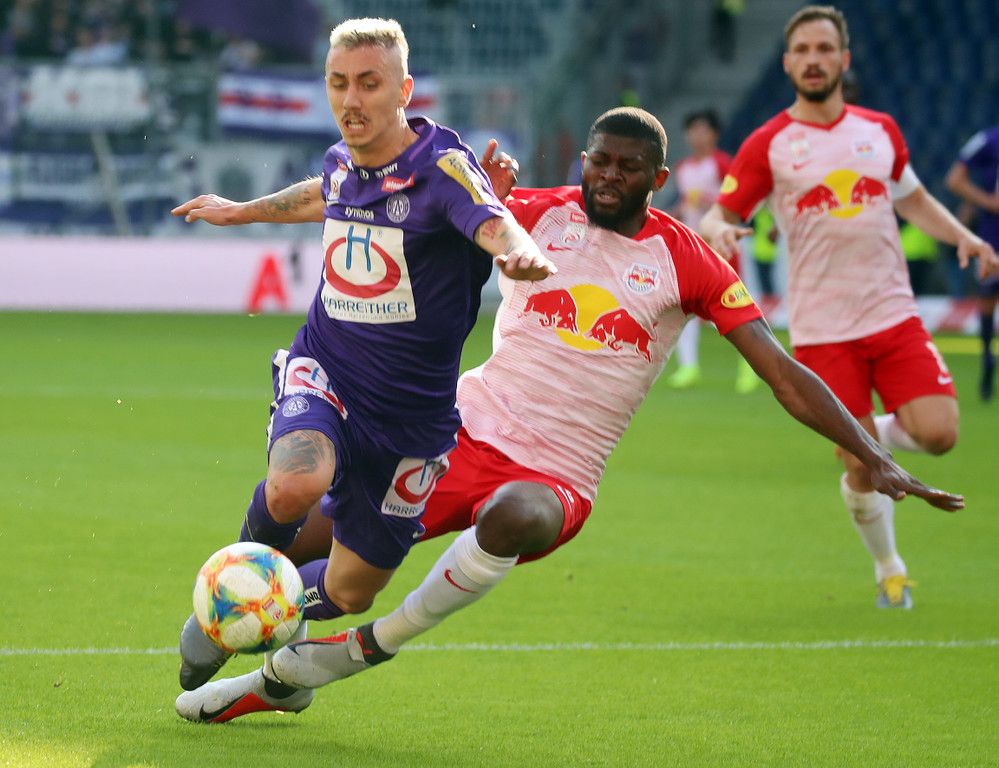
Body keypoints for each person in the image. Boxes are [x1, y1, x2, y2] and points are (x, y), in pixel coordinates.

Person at [175, 106, 964, 723]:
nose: (609, 176)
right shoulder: (531, 212)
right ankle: (262, 657)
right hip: (454, 432)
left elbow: (781, 372)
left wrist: (873, 453)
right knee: (308, 558)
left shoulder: (687, 259)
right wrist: (246, 211)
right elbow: (383, 197)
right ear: (583, 159)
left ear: (657, 178)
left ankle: (351, 653)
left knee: (513, 516)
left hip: (557, 473)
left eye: (628, 167)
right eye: (599, 160)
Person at [169, 17, 555, 707]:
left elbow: (493, 219)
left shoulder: (443, 167)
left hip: (410, 423)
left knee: (350, 590)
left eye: (369, 84)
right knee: (295, 485)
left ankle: (272, 612)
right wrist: (240, 212)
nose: (351, 99)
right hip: (328, 368)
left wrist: (516, 251)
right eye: (338, 83)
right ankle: (227, 598)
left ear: (403, 90)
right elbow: (322, 193)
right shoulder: (341, 161)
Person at [698, 5, 998, 610]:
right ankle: (890, 568)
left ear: (844, 59)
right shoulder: (769, 144)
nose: (814, 60)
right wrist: (722, 230)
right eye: (803, 51)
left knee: (940, 433)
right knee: (863, 468)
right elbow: (717, 216)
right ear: (788, 64)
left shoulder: (879, 130)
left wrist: (962, 236)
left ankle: (860, 434)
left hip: (893, 313)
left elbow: (913, 199)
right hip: (823, 328)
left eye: (824, 49)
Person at [667, 109, 759, 393]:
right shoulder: (682, 168)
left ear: (714, 134)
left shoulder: (722, 164)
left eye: (703, 129)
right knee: (683, 305)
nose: (697, 135)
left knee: (733, 306)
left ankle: (750, 367)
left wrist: (708, 202)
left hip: (722, 243)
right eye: (692, 130)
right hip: (693, 245)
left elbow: (734, 199)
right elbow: (686, 203)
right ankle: (688, 367)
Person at [945, 125, 999, 401]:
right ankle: (987, 359)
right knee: (988, 300)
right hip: (993, 238)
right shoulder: (988, 140)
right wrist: (988, 202)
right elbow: (954, 179)